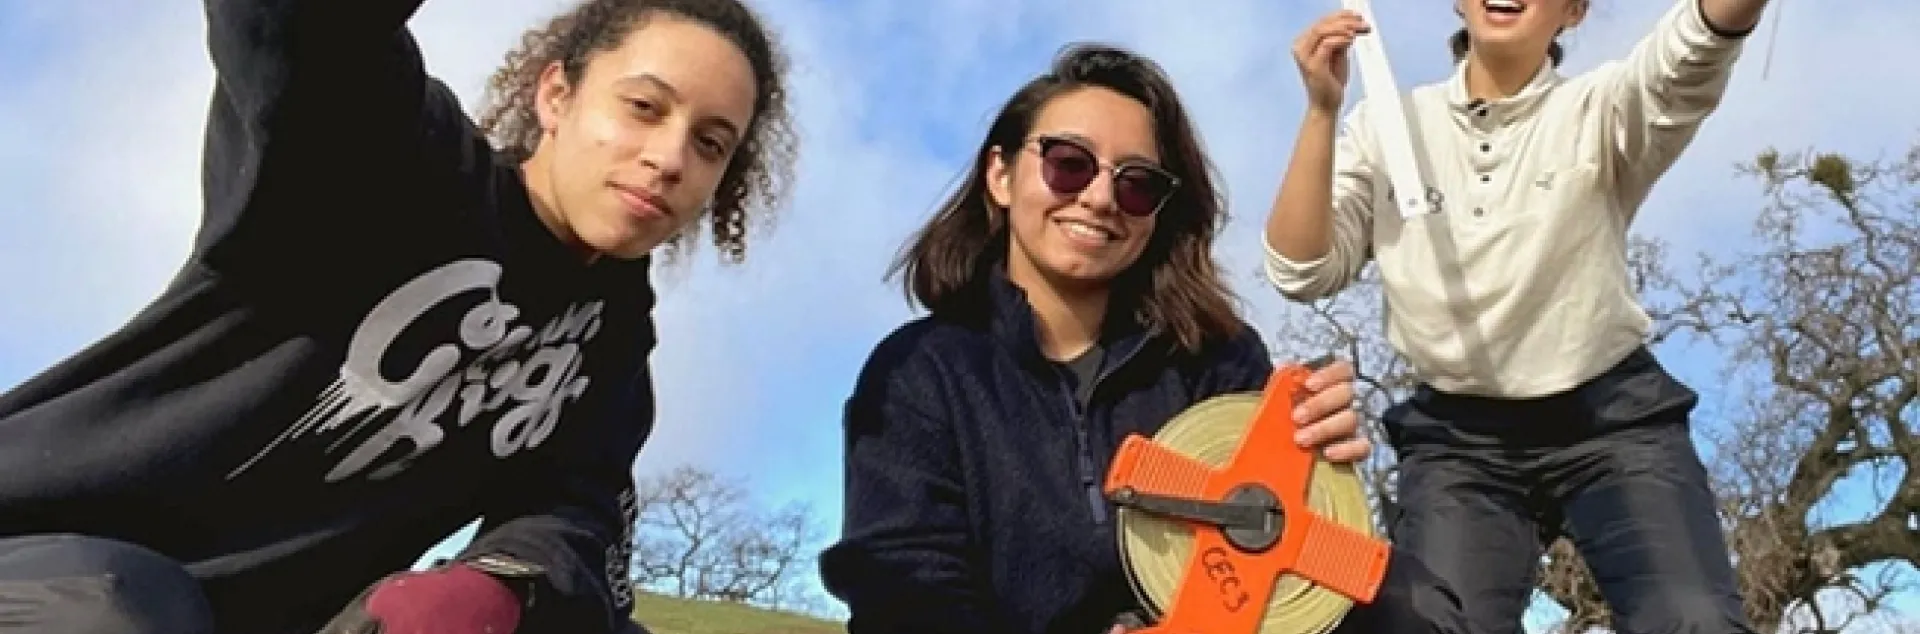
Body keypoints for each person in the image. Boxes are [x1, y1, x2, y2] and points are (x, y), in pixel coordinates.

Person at [0, 0, 795, 632]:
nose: (669, 157)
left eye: (711, 143)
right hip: (43, 558)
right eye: (644, 106)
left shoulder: (610, 358)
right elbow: (308, 37)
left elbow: (572, 523)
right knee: (127, 605)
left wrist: (493, 589)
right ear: (556, 94)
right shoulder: (398, 167)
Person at [818, 42, 1469, 634]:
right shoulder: (918, 373)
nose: (1101, 198)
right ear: (1001, 174)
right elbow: (904, 590)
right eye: (1069, 164)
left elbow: (1278, 566)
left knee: (1406, 599)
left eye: (1137, 184)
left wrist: (1318, 476)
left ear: (1158, 213)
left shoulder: (1217, 359)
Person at [1264, 0, 1772, 633]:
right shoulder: (1385, 126)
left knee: (1694, 619)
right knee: (1425, 624)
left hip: (1612, 420)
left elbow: (1691, 52)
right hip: (1457, 440)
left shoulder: (1603, 110)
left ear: (1576, 11)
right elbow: (1302, 271)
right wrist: (1321, 111)